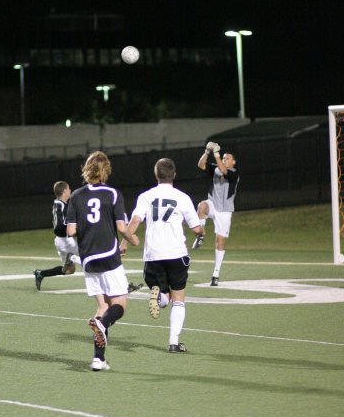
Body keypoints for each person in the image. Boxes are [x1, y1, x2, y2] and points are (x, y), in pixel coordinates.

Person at [66, 151, 139, 372]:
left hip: (88, 259)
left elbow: (71, 231)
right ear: (106, 170)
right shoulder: (113, 194)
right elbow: (121, 227)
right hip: (109, 256)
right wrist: (132, 238)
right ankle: (102, 324)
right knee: (119, 305)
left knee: (102, 307)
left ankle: (98, 359)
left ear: (86, 169)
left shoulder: (76, 196)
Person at [123, 157, 203, 353]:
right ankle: (174, 343)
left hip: (153, 254)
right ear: (174, 175)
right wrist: (202, 231)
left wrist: (125, 240)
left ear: (156, 175)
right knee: (178, 299)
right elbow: (196, 228)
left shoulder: (146, 196)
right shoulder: (182, 197)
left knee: (163, 295)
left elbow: (134, 221)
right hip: (176, 253)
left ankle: (159, 298)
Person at [192, 141, 240, 286]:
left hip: (225, 211)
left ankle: (216, 274)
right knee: (202, 205)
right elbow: (201, 165)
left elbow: (224, 171)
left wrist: (217, 154)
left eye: (227, 158)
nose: (225, 160)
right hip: (213, 204)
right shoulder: (215, 169)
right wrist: (207, 151)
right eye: (223, 158)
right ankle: (201, 234)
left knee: (219, 242)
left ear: (233, 162)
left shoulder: (233, 172)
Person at [33, 181, 80, 291]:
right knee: (90, 257)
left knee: (69, 270)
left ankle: (41, 273)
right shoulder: (60, 205)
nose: (70, 190)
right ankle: (72, 257)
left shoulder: (61, 204)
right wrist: (75, 231)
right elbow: (59, 226)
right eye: (68, 189)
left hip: (61, 241)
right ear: (64, 191)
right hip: (66, 240)